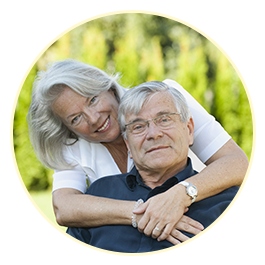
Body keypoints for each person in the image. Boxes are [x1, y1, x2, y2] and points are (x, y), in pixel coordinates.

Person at [27, 59, 248, 244]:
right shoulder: (73, 144)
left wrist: (180, 195)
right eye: (76, 118)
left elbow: (238, 163)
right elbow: (64, 207)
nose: (93, 118)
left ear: (109, 87)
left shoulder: (163, 97)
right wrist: (143, 212)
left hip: (199, 217)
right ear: (68, 127)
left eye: (93, 99)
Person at [57, 81, 240, 254]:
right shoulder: (98, 194)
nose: (154, 133)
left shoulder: (227, 204)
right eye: (138, 127)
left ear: (189, 130)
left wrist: (183, 193)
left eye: (164, 119)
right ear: (127, 144)